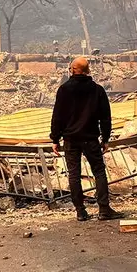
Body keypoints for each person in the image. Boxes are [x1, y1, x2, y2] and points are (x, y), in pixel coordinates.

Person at [50, 57, 123, 221]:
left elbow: (58, 116)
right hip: (90, 138)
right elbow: (105, 117)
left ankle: (80, 211)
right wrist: (105, 138)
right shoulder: (97, 90)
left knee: (74, 174)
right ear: (87, 70)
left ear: (73, 70)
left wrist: (55, 138)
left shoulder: (64, 90)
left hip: (70, 139)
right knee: (99, 172)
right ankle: (104, 209)